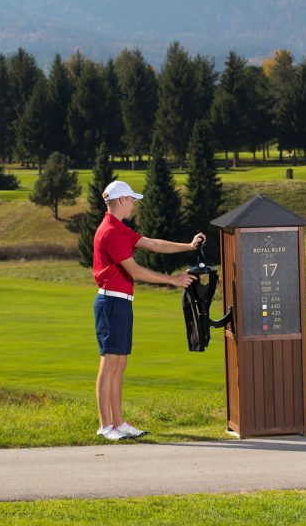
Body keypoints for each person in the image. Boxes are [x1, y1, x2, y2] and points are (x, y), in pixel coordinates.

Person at [92, 180, 205, 441]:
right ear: (121, 201)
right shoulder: (109, 231)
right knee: (109, 364)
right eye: (131, 199)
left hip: (121, 301)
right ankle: (105, 425)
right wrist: (172, 280)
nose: (133, 203)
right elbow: (135, 271)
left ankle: (119, 423)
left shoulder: (120, 229)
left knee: (120, 363)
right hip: (110, 303)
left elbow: (154, 244)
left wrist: (188, 246)